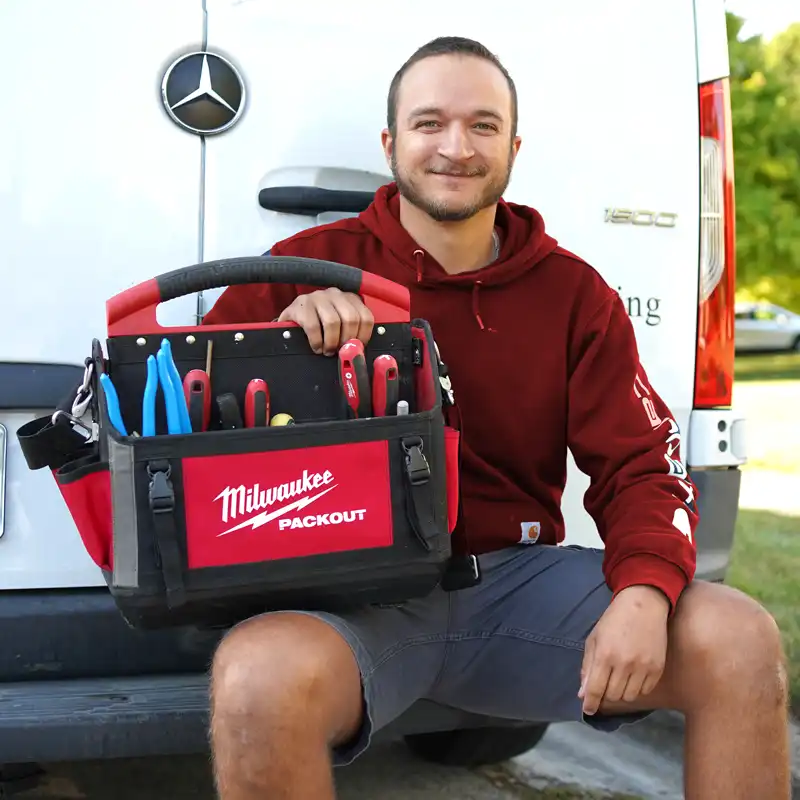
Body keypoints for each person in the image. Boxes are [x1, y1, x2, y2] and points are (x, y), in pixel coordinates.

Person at [202, 36, 790, 800]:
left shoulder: (575, 294)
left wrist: (645, 592)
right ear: (390, 143)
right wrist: (282, 347)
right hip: (349, 603)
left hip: (516, 588)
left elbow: (644, 467)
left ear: (513, 147)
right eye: (429, 123)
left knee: (741, 641)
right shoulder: (300, 269)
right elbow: (192, 435)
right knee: (254, 677)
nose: (456, 147)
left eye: (483, 126)